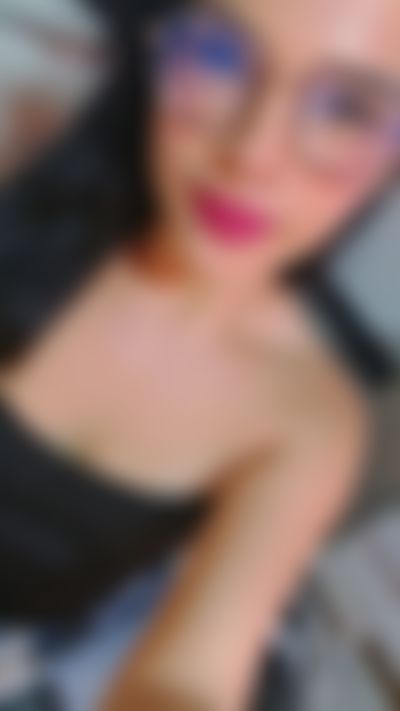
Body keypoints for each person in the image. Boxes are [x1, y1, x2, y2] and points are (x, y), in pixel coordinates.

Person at [0, 0, 399, 708]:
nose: (253, 151)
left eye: (346, 109)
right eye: (221, 57)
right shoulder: (21, 150)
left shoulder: (309, 420)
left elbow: (189, 681)